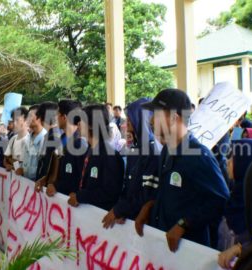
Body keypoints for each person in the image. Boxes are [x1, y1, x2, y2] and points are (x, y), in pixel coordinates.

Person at [135, 88, 230, 251]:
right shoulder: (166, 150)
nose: (151, 122)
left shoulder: (198, 155)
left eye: (156, 115)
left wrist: (184, 224)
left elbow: (220, 200)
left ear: (173, 117)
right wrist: (150, 206)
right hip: (164, 245)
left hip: (189, 250)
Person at [102, 98, 161, 229]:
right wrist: (121, 209)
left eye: (131, 119)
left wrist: (120, 210)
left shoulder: (152, 150)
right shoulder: (135, 148)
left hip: (145, 223)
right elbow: (128, 187)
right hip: (129, 218)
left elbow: (148, 193)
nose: (125, 124)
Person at [67, 104, 125, 211]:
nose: (78, 124)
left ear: (91, 125)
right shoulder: (90, 151)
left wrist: (80, 196)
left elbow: (109, 193)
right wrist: (77, 194)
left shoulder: (110, 156)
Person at [222, 140, 252, 248]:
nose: (227, 162)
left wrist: (241, 249)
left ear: (246, 164)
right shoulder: (238, 196)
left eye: (233, 158)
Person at [36, 100, 87, 196]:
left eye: (57, 114)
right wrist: (47, 180)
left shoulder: (80, 144)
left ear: (64, 117)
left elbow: (80, 178)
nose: (55, 117)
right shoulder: (61, 139)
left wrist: (57, 186)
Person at [35, 102, 62, 181]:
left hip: (45, 187)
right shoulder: (58, 134)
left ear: (41, 119)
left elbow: (48, 166)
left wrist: (41, 181)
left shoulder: (52, 137)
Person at [21, 105, 47, 180]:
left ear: (39, 117)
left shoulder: (45, 138)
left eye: (30, 116)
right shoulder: (27, 138)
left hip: (37, 183)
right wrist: (21, 168)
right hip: (26, 182)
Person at [4, 107, 30, 171]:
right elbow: (5, 159)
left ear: (26, 120)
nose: (14, 123)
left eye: (17, 120)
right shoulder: (13, 139)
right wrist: (7, 164)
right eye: (13, 120)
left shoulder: (30, 141)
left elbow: (25, 166)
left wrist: (11, 161)